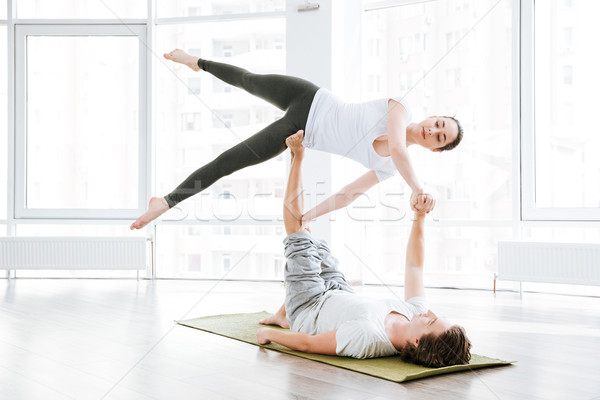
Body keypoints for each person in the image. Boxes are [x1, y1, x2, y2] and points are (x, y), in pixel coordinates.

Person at [130, 49, 464, 230]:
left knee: (230, 161)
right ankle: (196, 62)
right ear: (431, 115)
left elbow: (347, 194)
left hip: (300, 133)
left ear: (436, 150)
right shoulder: (400, 109)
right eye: (438, 123)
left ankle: (165, 202)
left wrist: (309, 216)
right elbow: (397, 147)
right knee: (248, 80)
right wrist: (418, 190)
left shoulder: (391, 169)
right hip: (309, 97)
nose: (433, 131)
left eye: (440, 137)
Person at [255, 131, 471, 367]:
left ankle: (297, 156)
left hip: (308, 308)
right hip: (339, 292)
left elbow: (309, 344)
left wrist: (270, 336)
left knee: (299, 233)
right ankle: (281, 314)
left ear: (417, 341)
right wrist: (419, 216)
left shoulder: (369, 339)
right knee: (315, 245)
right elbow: (415, 266)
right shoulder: (415, 312)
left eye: (431, 322)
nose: (429, 313)